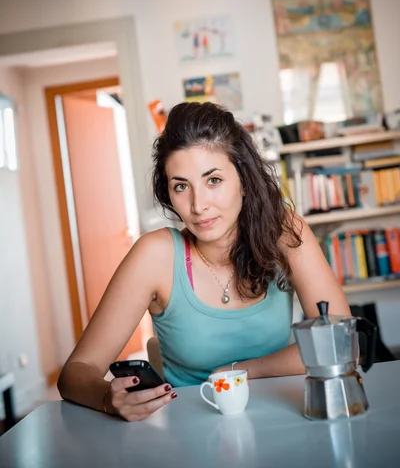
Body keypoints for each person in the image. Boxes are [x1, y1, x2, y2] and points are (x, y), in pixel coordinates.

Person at [58, 102, 351, 421]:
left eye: (213, 180)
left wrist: (237, 371)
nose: (198, 205)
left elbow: (340, 343)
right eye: (181, 186)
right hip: (188, 433)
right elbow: (75, 373)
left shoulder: (285, 233)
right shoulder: (154, 255)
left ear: (244, 180)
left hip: (287, 416)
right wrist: (106, 398)